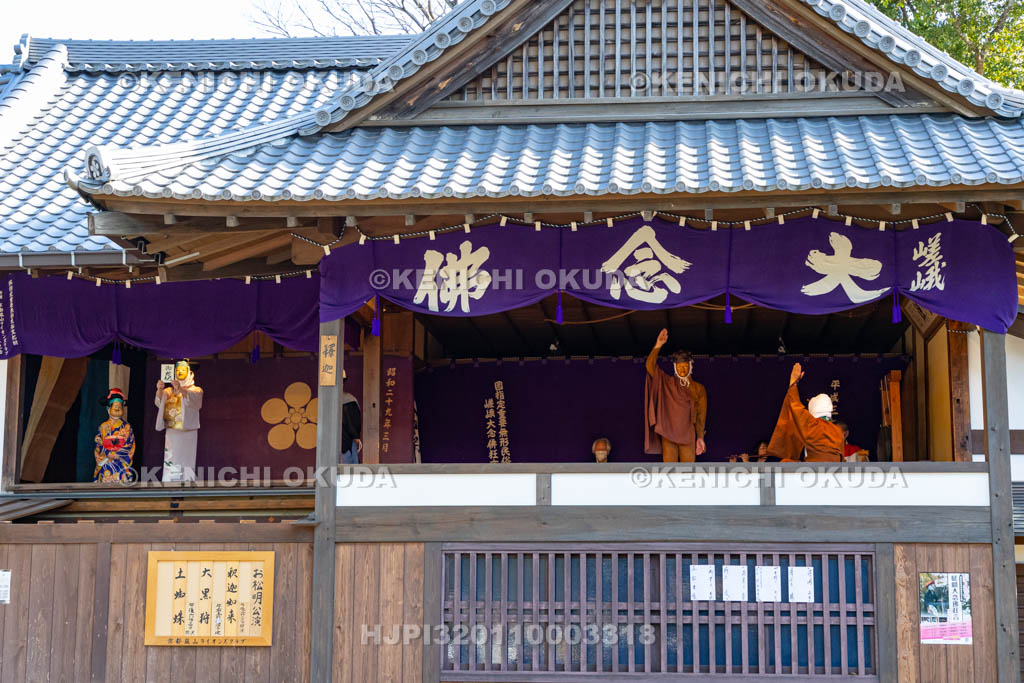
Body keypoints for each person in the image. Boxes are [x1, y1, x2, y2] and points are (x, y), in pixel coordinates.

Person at [644, 328, 707, 462]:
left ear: (690, 366)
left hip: (688, 433)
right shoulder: (667, 382)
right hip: (668, 432)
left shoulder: (698, 388)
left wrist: (700, 437)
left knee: (688, 471)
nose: (682, 370)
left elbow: (701, 416)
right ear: (674, 368)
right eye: (679, 367)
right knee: (669, 471)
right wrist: (658, 345)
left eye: (685, 366)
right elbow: (650, 366)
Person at [766, 362, 843, 462]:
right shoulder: (837, 430)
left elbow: (795, 405)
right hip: (836, 471)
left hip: (815, 470)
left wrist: (793, 383)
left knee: (786, 462)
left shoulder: (812, 423)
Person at [155, 360, 203, 482]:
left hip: (188, 432)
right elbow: (159, 403)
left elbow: (196, 401)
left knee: (187, 460)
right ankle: (169, 484)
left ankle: (186, 484)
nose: (180, 372)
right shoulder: (169, 391)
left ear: (189, 372)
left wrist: (180, 389)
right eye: (178, 370)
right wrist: (160, 389)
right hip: (172, 432)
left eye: (183, 370)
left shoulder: (196, 389)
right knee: (171, 458)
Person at [94, 388, 135, 483]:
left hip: (120, 460)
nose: (117, 409)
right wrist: (99, 453)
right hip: (106, 462)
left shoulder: (126, 427)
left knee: (121, 480)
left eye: (119, 407)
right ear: (109, 409)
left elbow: (130, 445)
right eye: (115, 407)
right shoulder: (103, 426)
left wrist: (116, 454)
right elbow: (98, 445)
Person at [341, 370, 362, 465]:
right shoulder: (349, 400)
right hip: (347, 443)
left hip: (328, 445)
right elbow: (352, 421)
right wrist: (356, 436)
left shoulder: (325, 400)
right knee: (349, 473)